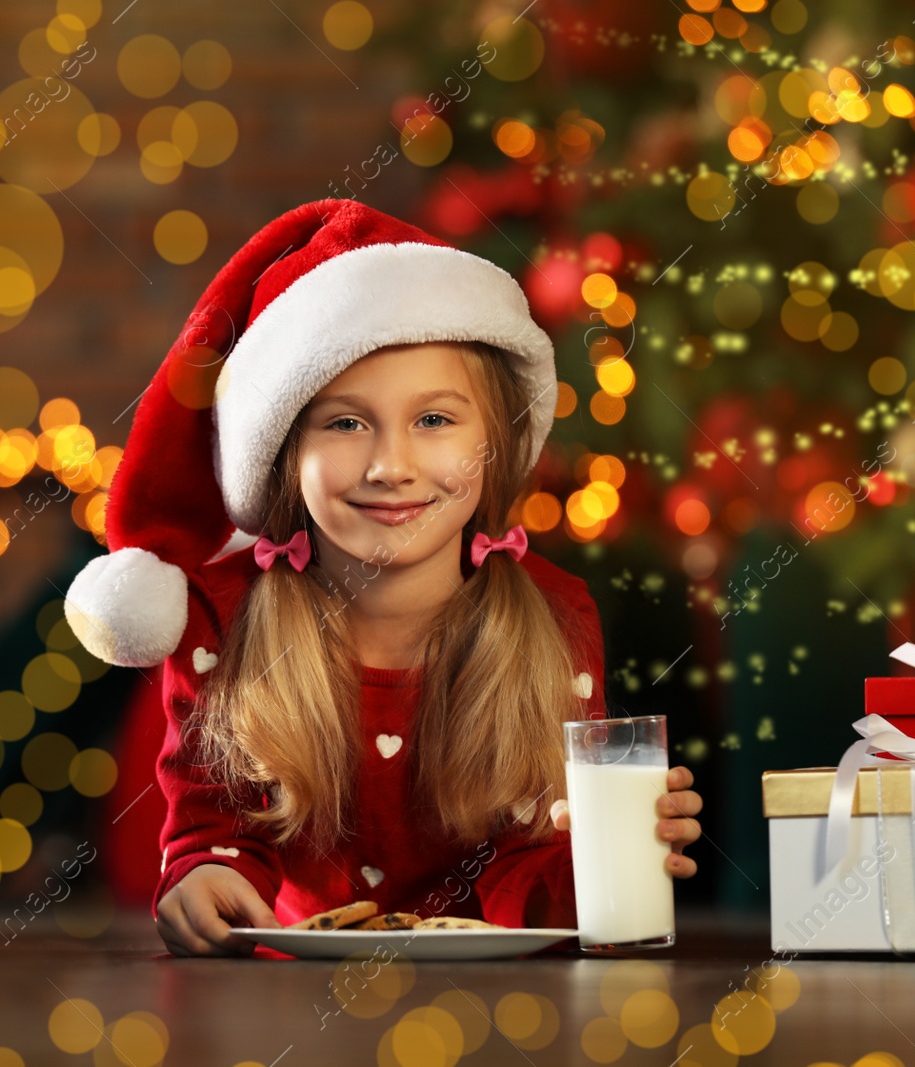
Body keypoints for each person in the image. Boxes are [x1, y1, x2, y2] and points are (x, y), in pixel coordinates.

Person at [65, 198, 702, 957]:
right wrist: (203, 882)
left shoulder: (554, 614)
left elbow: (530, 867)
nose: (391, 466)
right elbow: (214, 833)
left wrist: (609, 863)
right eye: (344, 423)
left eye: (434, 420)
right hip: (285, 1007)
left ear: (495, 443)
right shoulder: (221, 621)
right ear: (283, 454)